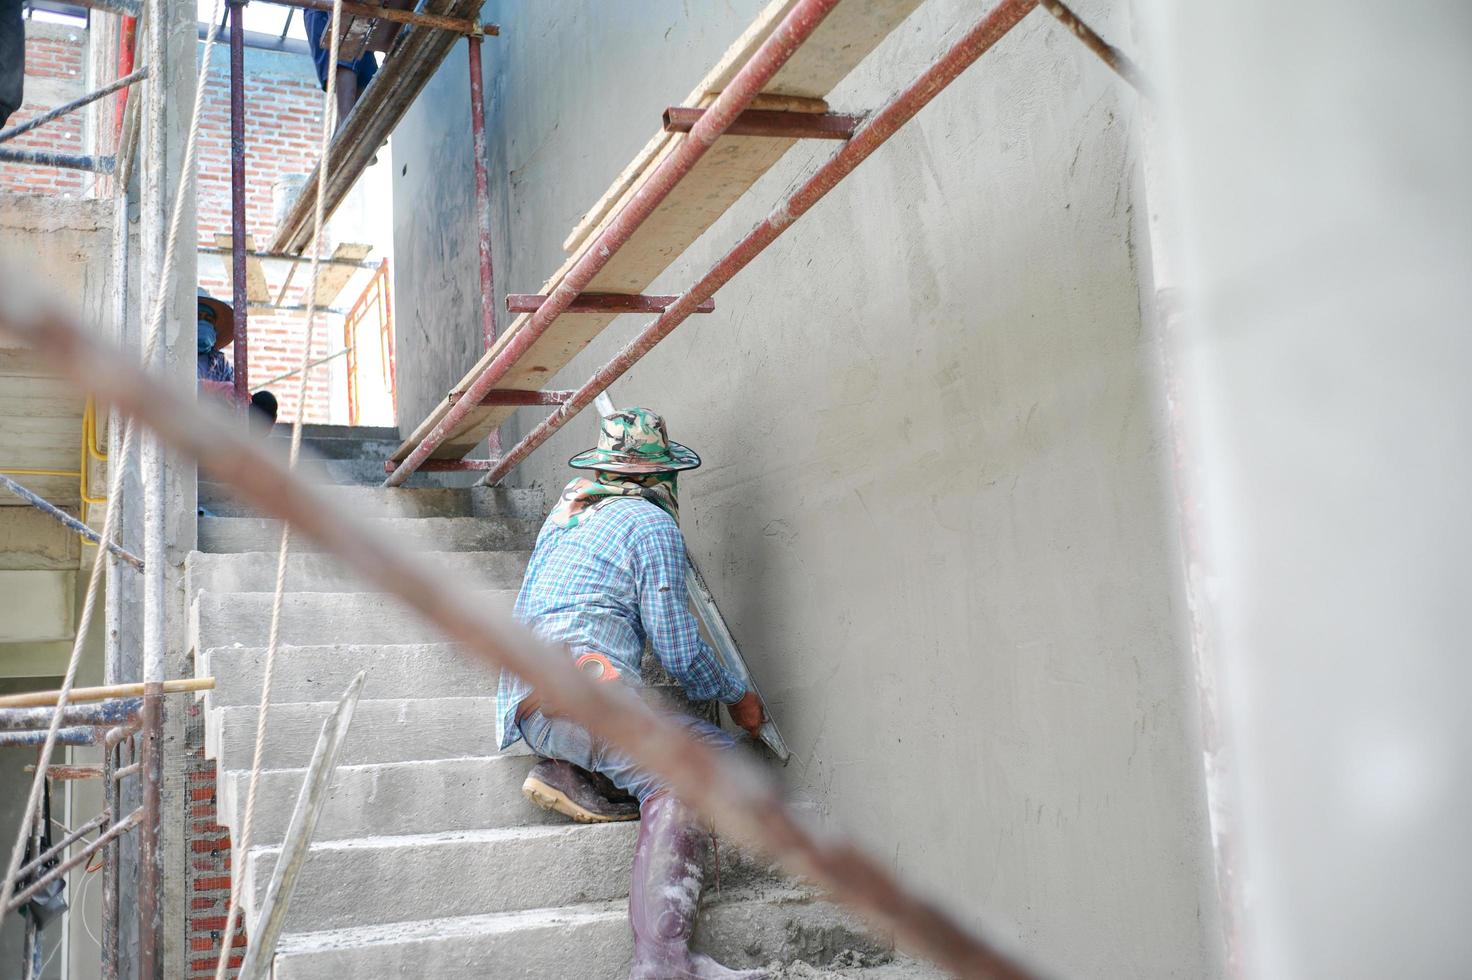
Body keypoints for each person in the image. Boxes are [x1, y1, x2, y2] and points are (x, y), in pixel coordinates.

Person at [499, 408, 768, 980]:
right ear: (659, 476)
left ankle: (569, 772)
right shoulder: (651, 525)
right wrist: (739, 695)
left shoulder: (568, 511)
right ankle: (664, 963)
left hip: (528, 702)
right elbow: (678, 650)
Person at [197, 288, 277, 431]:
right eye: (199, 317)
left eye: (208, 320)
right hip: (191, 418)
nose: (204, 323)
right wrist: (216, 388)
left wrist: (240, 397)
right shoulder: (174, 354)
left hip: (222, 421)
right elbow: (177, 387)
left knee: (265, 401)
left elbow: (234, 388)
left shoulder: (219, 363)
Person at [302, 8, 378, 131]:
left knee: (365, 73)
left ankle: (347, 130)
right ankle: (346, 127)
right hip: (328, 12)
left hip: (359, 16)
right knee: (345, 58)